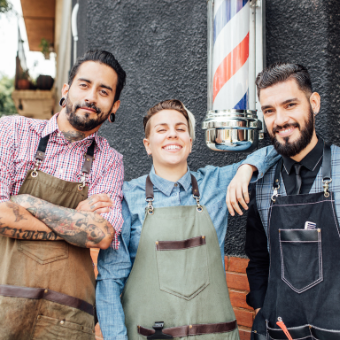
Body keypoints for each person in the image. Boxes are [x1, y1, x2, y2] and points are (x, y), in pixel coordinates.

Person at [95, 99, 279, 340]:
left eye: (181, 129)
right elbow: (110, 281)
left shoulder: (215, 183)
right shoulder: (127, 197)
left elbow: (278, 148)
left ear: (190, 143)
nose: (172, 135)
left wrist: (247, 167)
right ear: (147, 145)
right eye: (162, 129)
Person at [0, 50, 126, 339]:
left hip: (67, 317)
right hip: (4, 301)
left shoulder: (110, 161)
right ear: (66, 90)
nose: (92, 97)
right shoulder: (13, 131)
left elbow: (101, 235)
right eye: (84, 85)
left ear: (114, 105)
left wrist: (27, 203)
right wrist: (74, 221)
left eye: (104, 91)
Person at [236, 62, 340, 340]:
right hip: (281, 332)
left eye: (290, 104)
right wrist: (260, 309)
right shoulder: (260, 184)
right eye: (269, 110)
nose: (280, 120)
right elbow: (258, 258)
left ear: (314, 103)